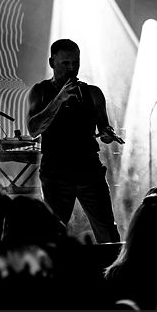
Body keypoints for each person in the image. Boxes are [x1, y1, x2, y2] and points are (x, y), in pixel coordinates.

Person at [28, 39, 123, 243]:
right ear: (52, 62)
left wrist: (107, 134)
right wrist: (59, 99)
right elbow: (33, 129)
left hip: (89, 169)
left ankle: (112, 263)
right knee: (52, 233)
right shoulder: (40, 91)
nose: (71, 68)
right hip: (56, 172)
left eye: (76, 63)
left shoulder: (93, 93)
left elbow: (104, 128)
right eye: (65, 63)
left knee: (107, 229)